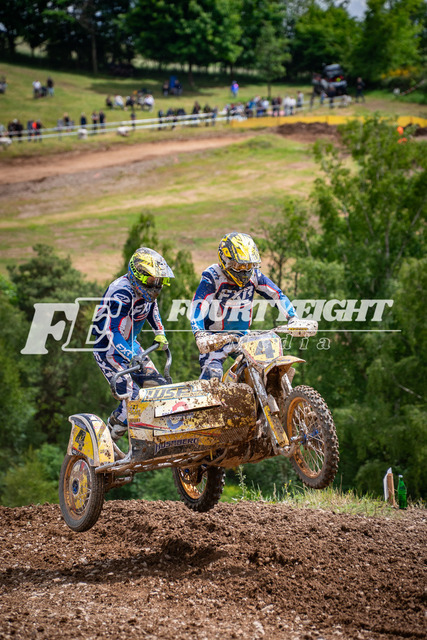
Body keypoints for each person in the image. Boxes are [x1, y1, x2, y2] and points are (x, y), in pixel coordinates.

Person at [190, 232, 298, 380]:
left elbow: (277, 295)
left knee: (265, 368)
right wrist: (199, 333)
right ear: (225, 260)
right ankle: (205, 394)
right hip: (215, 338)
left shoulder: (255, 275)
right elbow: (198, 306)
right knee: (213, 374)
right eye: (240, 265)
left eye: (249, 265)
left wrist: (293, 318)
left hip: (242, 337)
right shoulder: (213, 276)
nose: (245, 270)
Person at [92, 247, 174, 441]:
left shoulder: (146, 293)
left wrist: (160, 332)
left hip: (132, 347)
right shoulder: (121, 292)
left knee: (160, 392)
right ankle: (109, 441)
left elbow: (152, 308)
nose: (156, 287)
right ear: (138, 276)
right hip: (109, 351)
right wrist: (130, 355)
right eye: (152, 281)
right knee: (134, 402)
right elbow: (112, 331)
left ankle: (155, 439)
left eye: (160, 281)